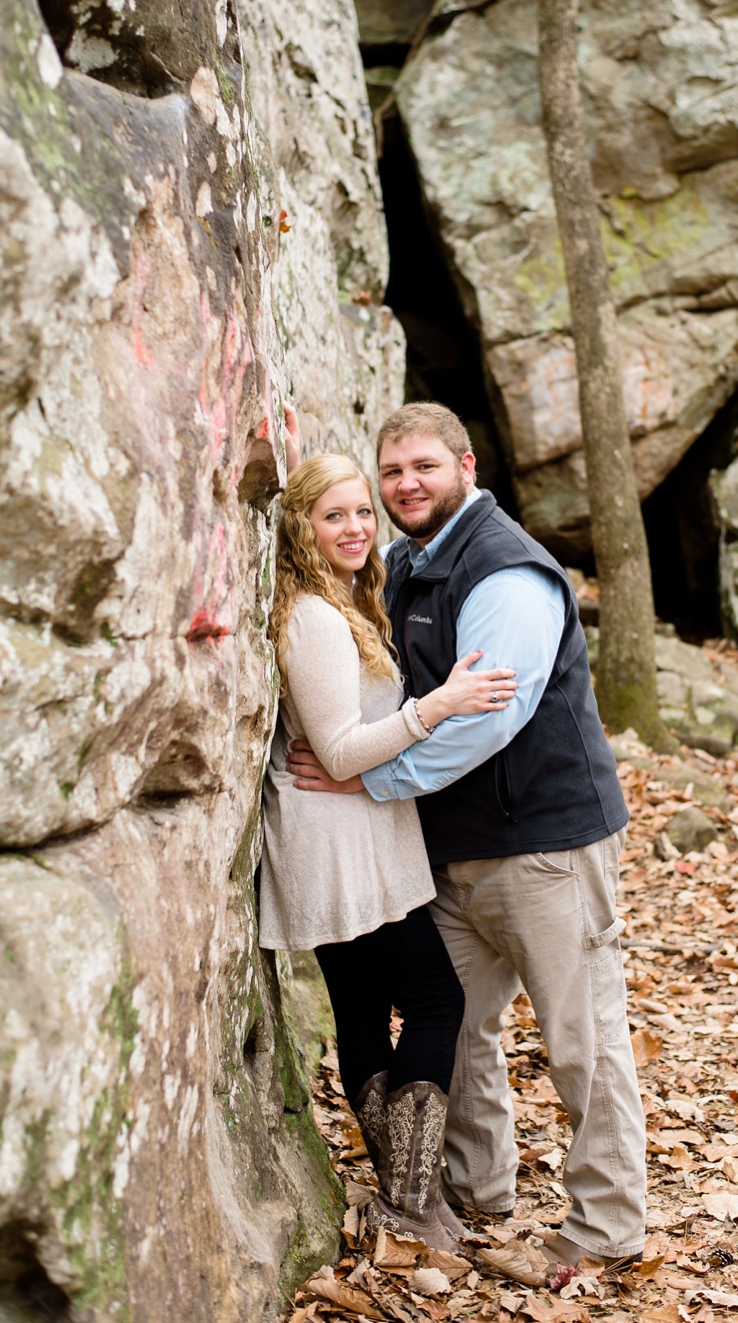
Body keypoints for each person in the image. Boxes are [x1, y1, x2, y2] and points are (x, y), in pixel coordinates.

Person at [289, 403, 645, 1275]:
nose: (406, 484)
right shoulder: (405, 565)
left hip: (544, 847)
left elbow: (487, 721)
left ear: (467, 465)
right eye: (394, 470)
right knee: (463, 1028)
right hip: (446, 850)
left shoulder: (506, 573)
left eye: (425, 467)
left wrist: (366, 779)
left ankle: (604, 1229)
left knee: (581, 1040)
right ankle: (475, 1188)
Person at [262, 453, 514, 1252]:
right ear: (301, 526)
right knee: (438, 1002)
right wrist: (435, 708)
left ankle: (408, 1194)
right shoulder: (312, 616)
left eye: (362, 513)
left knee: (365, 1013)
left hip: (352, 837)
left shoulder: (339, 602)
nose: (357, 527)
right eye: (333, 515)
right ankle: (409, 1196)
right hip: (339, 847)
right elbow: (337, 751)